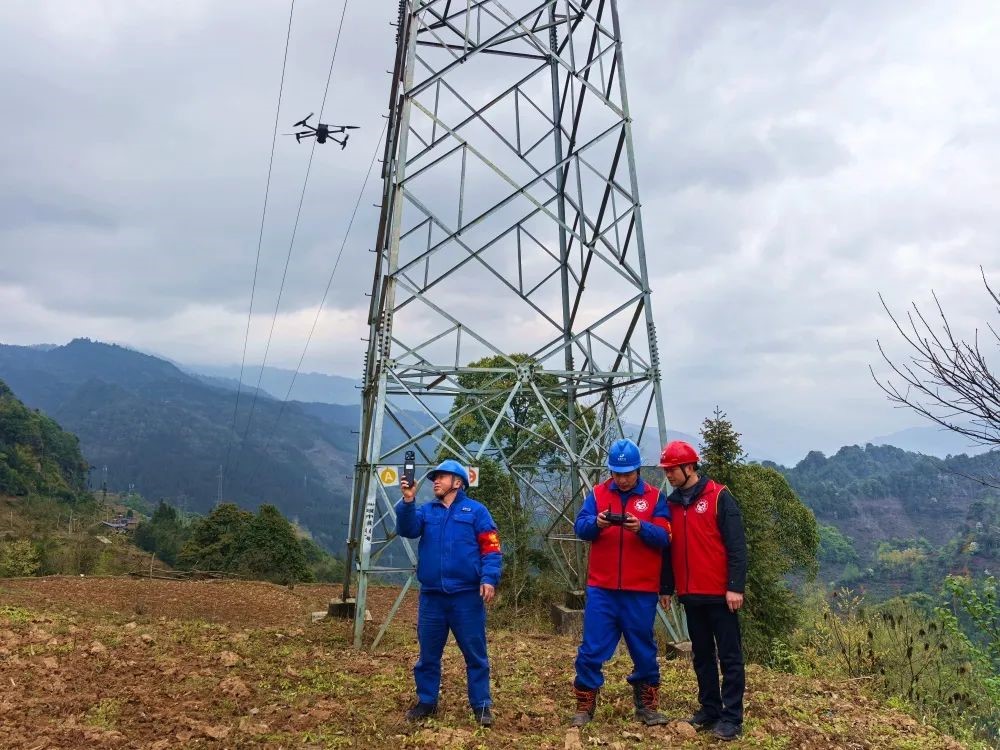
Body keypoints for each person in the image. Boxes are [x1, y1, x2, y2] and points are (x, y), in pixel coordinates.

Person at [571, 438, 672, 727]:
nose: (623, 479)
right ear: (610, 472)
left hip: (640, 589)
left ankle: (647, 705)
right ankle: (585, 704)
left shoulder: (654, 498)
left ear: (638, 470)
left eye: (628, 473)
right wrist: (598, 524)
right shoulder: (599, 494)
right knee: (591, 647)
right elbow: (581, 527)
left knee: (643, 647)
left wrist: (641, 528)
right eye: (617, 473)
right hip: (602, 588)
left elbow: (665, 536)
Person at [395, 458, 503, 727]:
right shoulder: (426, 511)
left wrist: (489, 578)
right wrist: (407, 502)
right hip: (432, 597)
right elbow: (406, 530)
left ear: (458, 482)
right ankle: (427, 702)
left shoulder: (476, 512)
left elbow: (491, 549)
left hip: (466, 597)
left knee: (475, 655)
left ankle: (481, 706)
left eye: (441, 477)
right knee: (428, 655)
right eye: (434, 479)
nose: (436, 482)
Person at [658, 440, 747, 742]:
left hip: (721, 595)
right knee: (702, 656)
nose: (668, 475)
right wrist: (666, 587)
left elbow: (737, 546)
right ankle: (710, 709)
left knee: (730, 656)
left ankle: (732, 717)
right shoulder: (670, 504)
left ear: (689, 467)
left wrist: (735, 587)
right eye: (667, 470)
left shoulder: (719, 496)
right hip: (690, 594)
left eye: (672, 469)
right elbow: (669, 551)